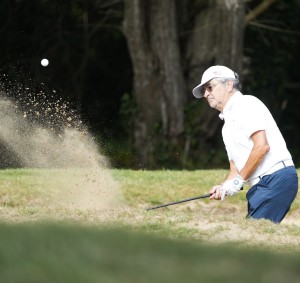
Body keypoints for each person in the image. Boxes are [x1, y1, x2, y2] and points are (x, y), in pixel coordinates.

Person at [192, 65, 298, 223]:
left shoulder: (246, 104)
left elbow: (262, 147)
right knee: (254, 236)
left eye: (210, 87)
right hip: (260, 187)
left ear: (229, 85)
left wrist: (238, 181)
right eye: (205, 91)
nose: (207, 94)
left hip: (276, 179)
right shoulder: (226, 127)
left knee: (253, 238)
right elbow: (235, 171)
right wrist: (224, 187)